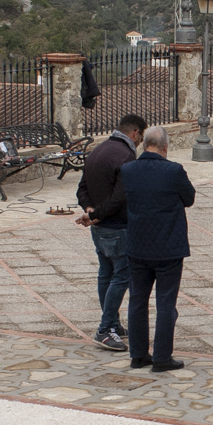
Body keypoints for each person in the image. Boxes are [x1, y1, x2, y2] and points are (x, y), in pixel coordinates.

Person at [119, 125, 195, 373]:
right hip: (168, 247)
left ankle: (138, 355)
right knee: (165, 303)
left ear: (143, 145)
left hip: (137, 245)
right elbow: (189, 198)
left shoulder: (128, 170)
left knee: (137, 301)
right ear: (165, 146)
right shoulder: (174, 171)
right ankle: (162, 357)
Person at [73, 113, 146, 352]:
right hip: (116, 226)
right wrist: (95, 215)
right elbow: (120, 197)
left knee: (106, 273)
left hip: (99, 227)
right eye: (141, 137)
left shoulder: (98, 149)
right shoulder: (126, 156)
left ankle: (113, 321)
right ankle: (105, 329)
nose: (140, 142)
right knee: (121, 276)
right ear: (135, 133)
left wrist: (90, 210)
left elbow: (81, 187)